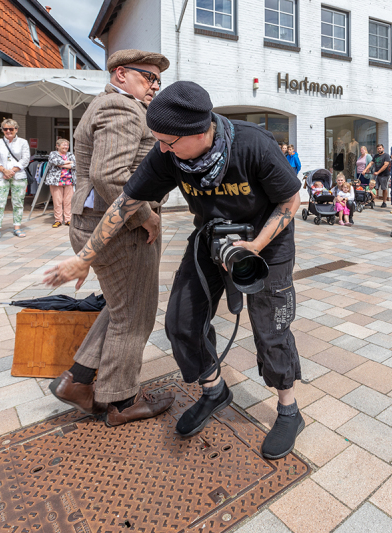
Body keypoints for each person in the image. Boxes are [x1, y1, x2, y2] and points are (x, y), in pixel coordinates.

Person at [45, 81, 305, 460]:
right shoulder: (168, 155)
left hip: (266, 242)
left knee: (271, 330)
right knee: (181, 323)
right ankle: (215, 391)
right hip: (210, 239)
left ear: (201, 131)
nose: (162, 150)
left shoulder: (253, 144)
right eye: (159, 141)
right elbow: (124, 203)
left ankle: (288, 410)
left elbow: (290, 200)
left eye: (169, 142)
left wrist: (254, 248)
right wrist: (85, 256)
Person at [47, 49, 175, 427]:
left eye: (157, 80)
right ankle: (120, 400)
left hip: (108, 226)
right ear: (121, 74)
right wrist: (147, 216)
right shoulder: (120, 109)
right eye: (147, 77)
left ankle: (79, 381)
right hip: (122, 230)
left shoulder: (115, 106)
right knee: (134, 316)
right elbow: (111, 177)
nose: (154, 85)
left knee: (121, 308)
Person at [0, 118, 30, 241]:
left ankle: (17, 227)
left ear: (16, 129)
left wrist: (12, 171)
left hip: (18, 176)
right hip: (0, 176)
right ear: (2, 130)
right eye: (6, 129)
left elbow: (25, 159)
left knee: (18, 203)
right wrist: (4, 170)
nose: (8, 131)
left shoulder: (23, 142)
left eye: (11, 129)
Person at [46, 139, 77, 228]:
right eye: (63, 145)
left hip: (69, 181)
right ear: (57, 146)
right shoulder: (53, 154)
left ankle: (68, 219)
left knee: (68, 201)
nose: (65, 147)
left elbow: (75, 165)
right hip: (56, 181)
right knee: (57, 201)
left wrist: (62, 165)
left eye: (67, 145)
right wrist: (69, 163)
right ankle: (58, 220)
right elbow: (56, 162)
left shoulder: (70, 154)